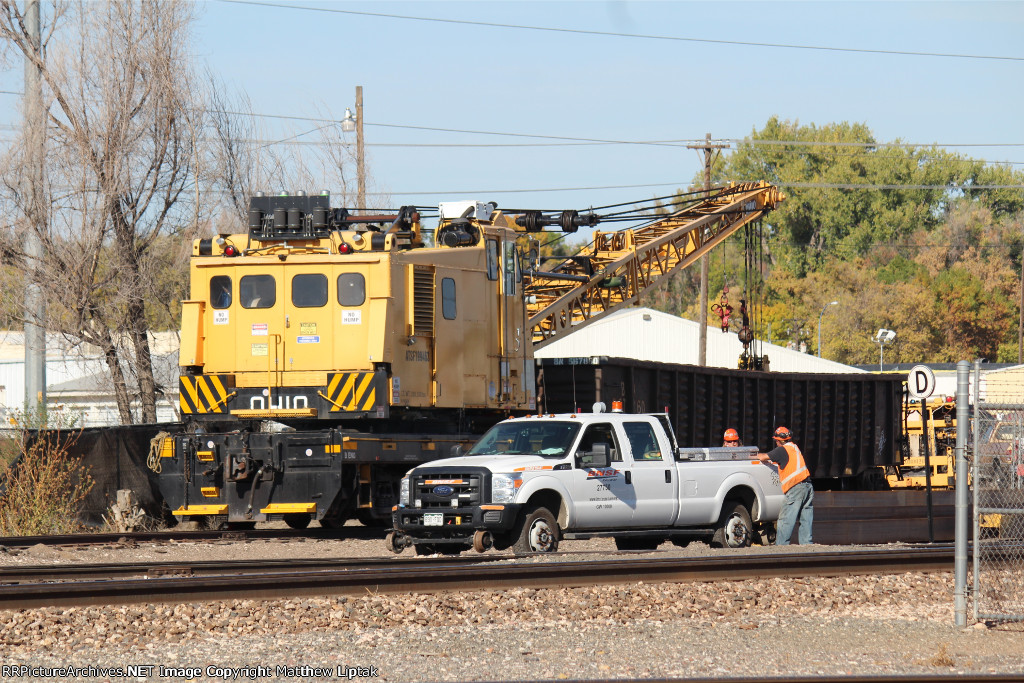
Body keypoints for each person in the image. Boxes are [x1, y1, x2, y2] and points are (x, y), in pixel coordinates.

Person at [758, 426, 813, 545]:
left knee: (786, 519)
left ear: (779, 440)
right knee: (806, 518)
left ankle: (781, 546)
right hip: (808, 486)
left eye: (776, 441)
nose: (776, 443)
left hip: (796, 488)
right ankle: (807, 545)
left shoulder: (782, 450)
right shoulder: (794, 447)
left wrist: (751, 455)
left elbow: (762, 457)